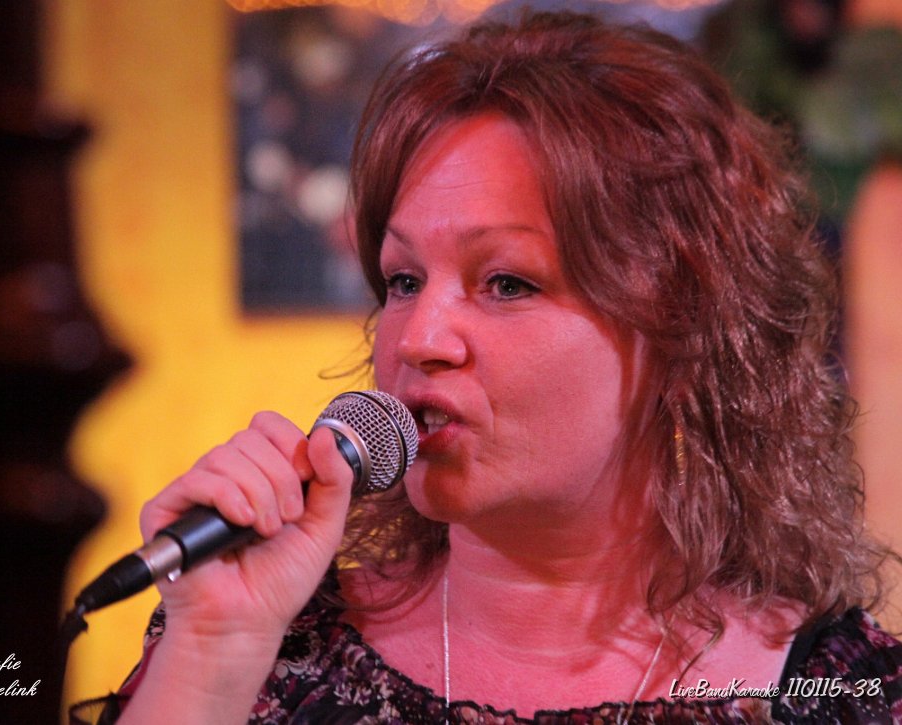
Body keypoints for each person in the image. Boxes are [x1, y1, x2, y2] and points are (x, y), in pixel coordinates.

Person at [72, 9, 902, 724]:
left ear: (682, 329)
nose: (418, 337)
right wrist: (212, 652)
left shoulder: (846, 693)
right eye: (403, 281)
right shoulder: (273, 648)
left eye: (506, 282)